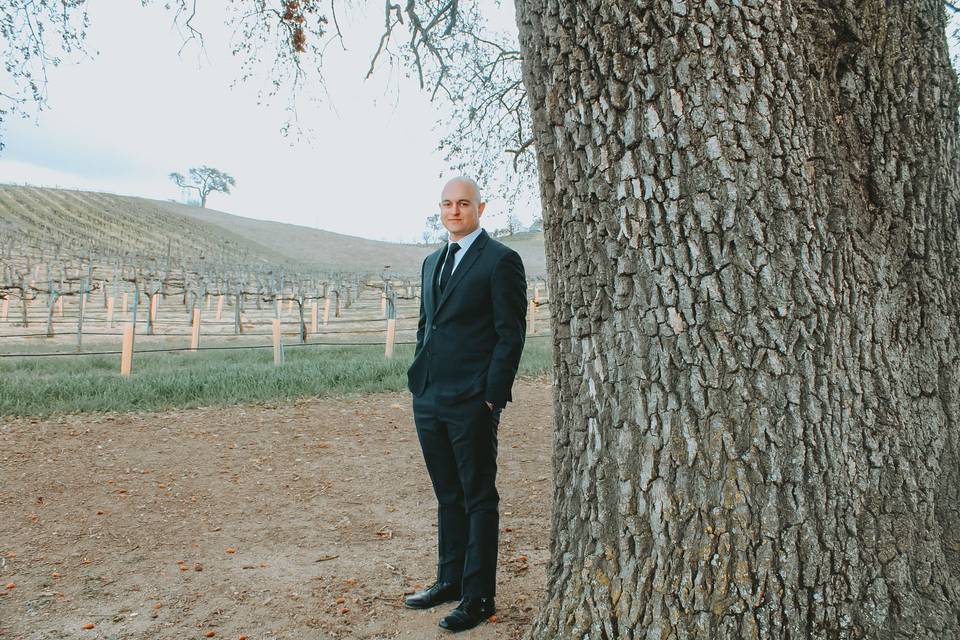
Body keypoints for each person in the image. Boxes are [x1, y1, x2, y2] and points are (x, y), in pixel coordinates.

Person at [404, 176, 527, 632]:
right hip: (430, 396)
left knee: (478, 497)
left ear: (480, 207)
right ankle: (449, 580)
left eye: (464, 204)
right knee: (447, 494)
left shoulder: (501, 261)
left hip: (474, 401)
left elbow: (510, 334)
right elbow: (426, 326)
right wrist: (419, 377)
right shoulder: (431, 262)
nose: (454, 211)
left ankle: (478, 596)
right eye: (447, 204)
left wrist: (492, 397)